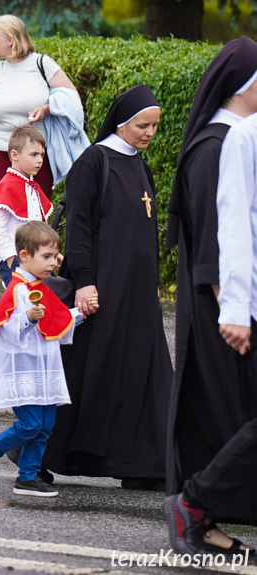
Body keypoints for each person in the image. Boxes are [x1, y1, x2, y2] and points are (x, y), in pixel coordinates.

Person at [42, 84, 172, 489]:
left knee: (144, 373)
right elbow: (79, 227)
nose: (149, 133)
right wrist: (84, 283)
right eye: (142, 126)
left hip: (138, 292)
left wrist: (151, 283)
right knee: (88, 373)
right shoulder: (94, 161)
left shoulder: (140, 165)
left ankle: (145, 464)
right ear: (122, 122)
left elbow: (146, 230)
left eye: (154, 126)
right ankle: (41, 451)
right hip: (103, 288)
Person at [166, 37, 257, 552]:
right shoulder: (216, 147)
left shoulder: (234, 139)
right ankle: (195, 511)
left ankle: (201, 516)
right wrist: (232, 308)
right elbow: (214, 238)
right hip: (221, 307)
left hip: (229, 305)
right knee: (221, 419)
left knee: (223, 421)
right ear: (245, 85)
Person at [0, 221, 83, 497]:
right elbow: (5, 328)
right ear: (24, 256)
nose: (53, 262)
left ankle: (27, 477)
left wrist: (80, 313)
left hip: (43, 367)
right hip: (23, 369)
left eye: (55, 256)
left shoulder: (40, 285)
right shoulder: (18, 288)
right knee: (30, 424)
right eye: (46, 256)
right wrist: (28, 318)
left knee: (44, 426)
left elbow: (57, 320)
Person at [0, 14, 80, 200]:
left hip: (36, 154)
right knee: (12, 211)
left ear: (10, 40)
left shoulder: (42, 64)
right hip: (1, 153)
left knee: (37, 215)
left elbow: (73, 98)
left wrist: (46, 109)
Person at [0, 125, 53, 288]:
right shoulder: (6, 186)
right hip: (14, 260)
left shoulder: (32, 186)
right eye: (33, 154)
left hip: (33, 258)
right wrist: (11, 260)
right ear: (15, 155)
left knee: (40, 302)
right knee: (20, 303)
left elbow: (39, 227)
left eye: (41, 154)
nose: (40, 160)